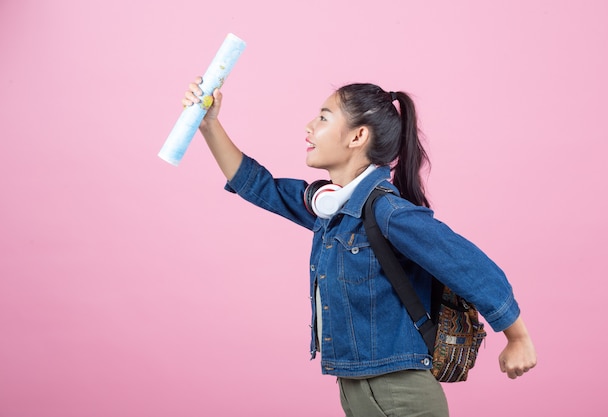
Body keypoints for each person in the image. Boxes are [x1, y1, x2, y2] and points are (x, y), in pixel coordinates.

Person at [182, 77, 537, 417]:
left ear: (358, 136)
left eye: (323, 117)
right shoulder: (333, 209)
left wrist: (517, 337)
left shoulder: (387, 212)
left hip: (397, 391)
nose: (308, 127)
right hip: (357, 386)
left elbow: (469, 266)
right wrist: (209, 125)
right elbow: (258, 185)